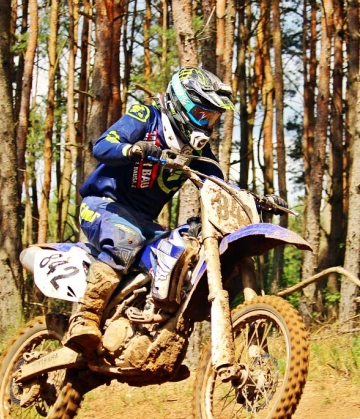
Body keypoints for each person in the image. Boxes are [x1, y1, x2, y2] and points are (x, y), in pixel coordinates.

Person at [64, 67, 236, 353]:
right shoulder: (147, 117)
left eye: (212, 116)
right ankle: (84, 319)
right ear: (180, 104)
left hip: (144, 222)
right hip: (102, 205)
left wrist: (254, 199)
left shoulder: (197, 152)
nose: (206, 122)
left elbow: (218, 183)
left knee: (182, 252)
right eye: (201, 114)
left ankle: (150, 336)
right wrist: (134, 149)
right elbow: (103, 145)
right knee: (126, 237)